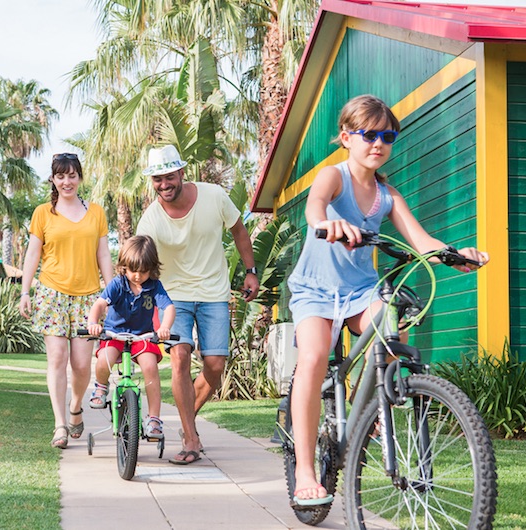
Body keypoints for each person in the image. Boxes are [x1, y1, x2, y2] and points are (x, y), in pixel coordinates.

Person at [286, 94, 489, 505]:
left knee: (394, 323)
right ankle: (306, 470)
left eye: (388, 136)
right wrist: (328, 224)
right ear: (346, 137)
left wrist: (455, 254)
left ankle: (371, 406)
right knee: (313, 357)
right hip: (316, 291)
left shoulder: (387, 195)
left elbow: (422, 241)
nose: (379, 143)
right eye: (369, 135)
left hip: (360, 291)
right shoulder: (334, 176)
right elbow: (314, 207)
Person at [136, 144, 260, 465]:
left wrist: (250, 272)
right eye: (157, 179)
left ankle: (187, 414)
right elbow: (140, 259)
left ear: (181, 172)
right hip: (172, 296)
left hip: (214, 293)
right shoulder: (150, 219)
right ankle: (191, 437)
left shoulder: (213, 196)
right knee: (179, 357)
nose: (164, 184)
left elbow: (239, 231)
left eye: (169, 177)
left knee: (215, 366)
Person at [19, 153, 114, 449]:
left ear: (80, 178)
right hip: (51, 293)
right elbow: (33, 254)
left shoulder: (96, 212)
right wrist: (25, 291)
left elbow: (103, 255)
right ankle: (60, 424)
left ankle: (76, 406)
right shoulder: (43, 213)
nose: (66, 181)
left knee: (83, 364)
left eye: (72, 175)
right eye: (61, 176)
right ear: (53, 179)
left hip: (88, 297)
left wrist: (112, 293)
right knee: (57, 359)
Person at [86, 235, 176, 439]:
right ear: (124, 266)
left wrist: (165, 327)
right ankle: (100, 387)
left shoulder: (154, 286)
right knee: (104, 360)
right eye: (132, 270)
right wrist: (93, 323)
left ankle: (154, 419)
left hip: (141, 337)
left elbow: (169, 308)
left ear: (152, 269)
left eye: (143, 272)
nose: (137, 276)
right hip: (114, 334)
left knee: (151, 368)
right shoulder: (118, 284)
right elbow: (100, 304)